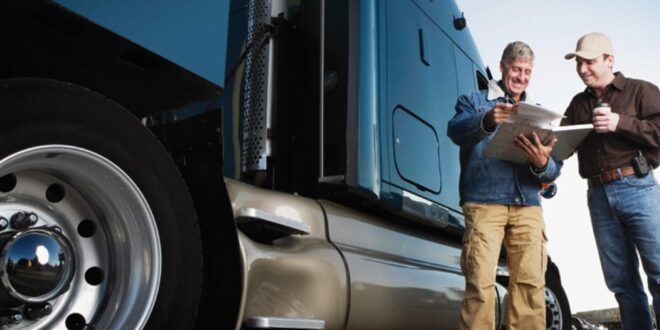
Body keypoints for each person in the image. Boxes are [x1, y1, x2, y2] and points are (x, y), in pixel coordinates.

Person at [448, 41, 561, 329]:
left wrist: (542, 164)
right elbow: (455, 130)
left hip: (528, 207)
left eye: (527, 72)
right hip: (484, 203)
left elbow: (553, 167)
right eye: (516, 69)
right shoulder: (473, 101)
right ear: (502, 67)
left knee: (530, 286)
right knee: (480, 284)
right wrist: (486, 119)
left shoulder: (539, 114)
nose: (521, 77)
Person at [561, 32, 660, 329]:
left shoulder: (641, 91)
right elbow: (560, 145)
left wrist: (621, 123)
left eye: (589, 62)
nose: (582, 69)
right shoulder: (577, 104)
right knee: (621, 282)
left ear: (609, 60)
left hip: (638, 188)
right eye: (578, 63)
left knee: (659, 270)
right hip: (598, 197)